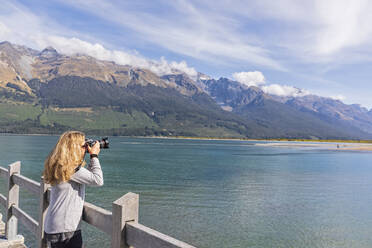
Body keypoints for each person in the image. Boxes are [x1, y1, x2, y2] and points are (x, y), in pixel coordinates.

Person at [42, 131, 104, 248]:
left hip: (54, 226)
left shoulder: (61, 166)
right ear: (74, 148)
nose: (86, 148)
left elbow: (88, 176)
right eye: (83, 146)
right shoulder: (71, 169)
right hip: (65, 229)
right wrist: (94, 156)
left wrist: (87, 155)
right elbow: (98, 180)